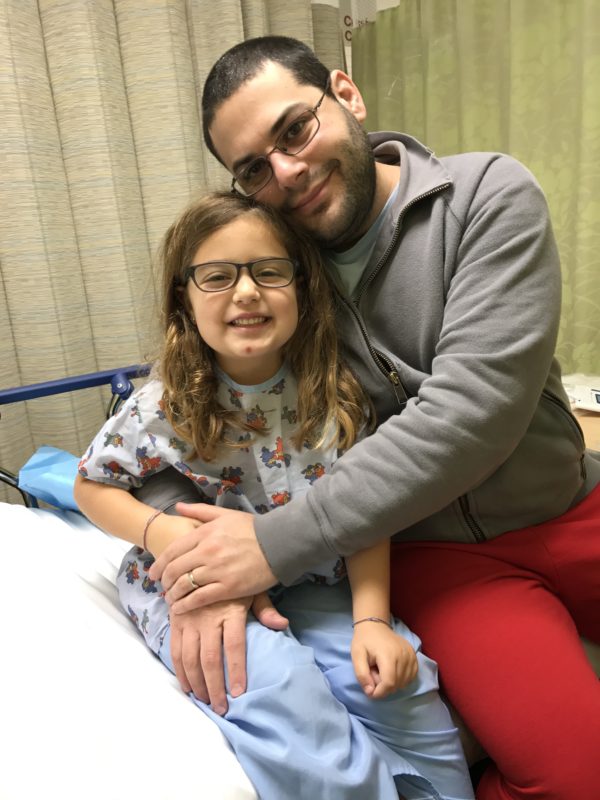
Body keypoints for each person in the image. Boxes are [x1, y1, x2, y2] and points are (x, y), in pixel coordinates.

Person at [145, 36, 600, 800]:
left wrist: (273, 545)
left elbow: (475, 412)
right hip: (436, 558)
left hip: (571, 502)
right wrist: (190, 570)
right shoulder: (276, 279)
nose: (287, 172)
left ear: (347, 96)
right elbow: (178, 421)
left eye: (295, 130)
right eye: (254, 169)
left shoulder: (484, 195)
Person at [74, 192, 475, 800]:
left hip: (313, 579)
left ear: (302, 288)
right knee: (279, 688)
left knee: (402, 686)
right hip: (195, 580)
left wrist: (371, 620)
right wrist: (166, 534)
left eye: (268, 271)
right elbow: (91, 483)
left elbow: (365, 512)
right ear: (184, 298)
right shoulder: (163, 404)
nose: (246, 292)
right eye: (217, 276)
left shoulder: (337, 395)